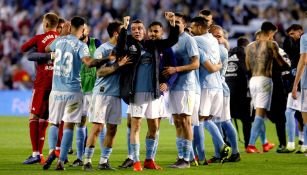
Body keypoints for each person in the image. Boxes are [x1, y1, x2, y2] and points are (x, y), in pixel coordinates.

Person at [44, 16, 109, 170]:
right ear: (82, 28)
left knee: (54, 122)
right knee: (69, 126)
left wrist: (62, 35)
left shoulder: (59, 41)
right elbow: (89, 63)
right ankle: (61, 161)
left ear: (70, 26)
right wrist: (106, 58)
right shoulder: (81, 45)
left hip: (56, 91)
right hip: (73, 92)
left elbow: (47, 49)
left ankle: (53, 150)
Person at [116, 12, 178, 171]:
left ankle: (149, 159)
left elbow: (171, 40)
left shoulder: (153, 46)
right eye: (134, 29)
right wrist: (124, 28)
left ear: (145, 32)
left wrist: (172, 23)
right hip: (136, 93)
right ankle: (136, 161)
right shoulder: (128, 44)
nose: (137, 31)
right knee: (135, 127)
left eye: (139, 29)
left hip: (154, 94)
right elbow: (120, 47)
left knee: (154, 128)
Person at [81, 21, 128, 171]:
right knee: (97, 127)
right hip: (102, 92)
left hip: (116, 94)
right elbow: (100, 72)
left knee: (112, 129)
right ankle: (87, 161)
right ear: (116, 34)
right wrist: (118, 65)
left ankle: (103, 161)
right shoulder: (103, 49)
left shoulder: (122, 49)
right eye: (123, 32)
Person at [189, 17, 230, 164]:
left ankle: (205, 155)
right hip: (217, 86)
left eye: (193, 27)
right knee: (207, 120)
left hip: (205, 85)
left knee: (199, 120)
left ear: (199, 27)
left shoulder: (197, 41)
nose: (191, 30)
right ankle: (205, 153)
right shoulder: (213, 40)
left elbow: (209, 66)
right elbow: (217, 64)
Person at [20, 12, 60, 165]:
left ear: (46, 24)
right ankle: (49, 153)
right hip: (57, 84)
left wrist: (41, 50)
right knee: (46, 118)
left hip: (42, 83)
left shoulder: (39, 38)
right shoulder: (62, 39)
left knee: (33, 116)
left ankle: (36, 153)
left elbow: (24, 48)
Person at [161, 13, 199, 169]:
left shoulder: (188, 40)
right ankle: (181, 156)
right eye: (171, 21)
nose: (174, 24)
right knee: (177, 122)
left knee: (185, 121)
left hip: (186, 86)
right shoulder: (170, 40)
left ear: (184, 24)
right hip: (173, 86)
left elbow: (196, 63)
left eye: (178, 22)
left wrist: (176, 69)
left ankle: (187, 159)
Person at [245, 21, 289, 153]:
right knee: (260, 113)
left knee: (260, 112)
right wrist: (288, 66)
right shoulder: (272, 44)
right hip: (265, 79)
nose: (273, 37)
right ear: (270, 32)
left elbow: (247, 67)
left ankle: (264, 144)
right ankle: (251, 145)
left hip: (253, 80)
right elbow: (280, 62)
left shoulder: (249, 46)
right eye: (273, 34)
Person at [70, 24, 102, 166]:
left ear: (87, 31)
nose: (82, 31)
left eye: (84, 29)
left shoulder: (96, 43)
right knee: (80, 123)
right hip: (79, 89)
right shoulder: (73, 45)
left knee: (99, 123)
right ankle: (79, 157)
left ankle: (103, 158)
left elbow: (105, 61)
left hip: (95, 89)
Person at [210, 24, 241, 162]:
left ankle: (233, 152)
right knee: (218, 123)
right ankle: (221, 153)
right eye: (215, 36)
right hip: (219, 88)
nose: (217, 38)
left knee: (223, 122)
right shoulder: (219, 48)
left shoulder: (220, 50)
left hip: (220, 88)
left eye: (219, 36)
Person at [226, 37, 252, 149]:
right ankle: (248, 144)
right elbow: (248, 71)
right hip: (242, 94)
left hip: (227, 93)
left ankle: (227, 143)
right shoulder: (246, 56)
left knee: (227, 120)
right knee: (246, 120)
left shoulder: (228, 55)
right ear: (247, 46)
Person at [283, 24, 305, 153]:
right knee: (300, 114)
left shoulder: (303, 43)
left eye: (293, 33)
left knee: (290, 111)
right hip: (298, 82)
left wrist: (295, 85)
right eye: (289, 34)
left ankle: (291, 144)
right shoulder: (295, 44)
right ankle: (303, 144)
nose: (291, 37)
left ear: (300, 32)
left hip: (300, 83)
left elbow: (302, 62)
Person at [292, 23, 307, 154]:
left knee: (306, 119)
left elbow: (303, 60)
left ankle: (305, 146)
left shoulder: (305, 38)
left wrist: (295, 84)